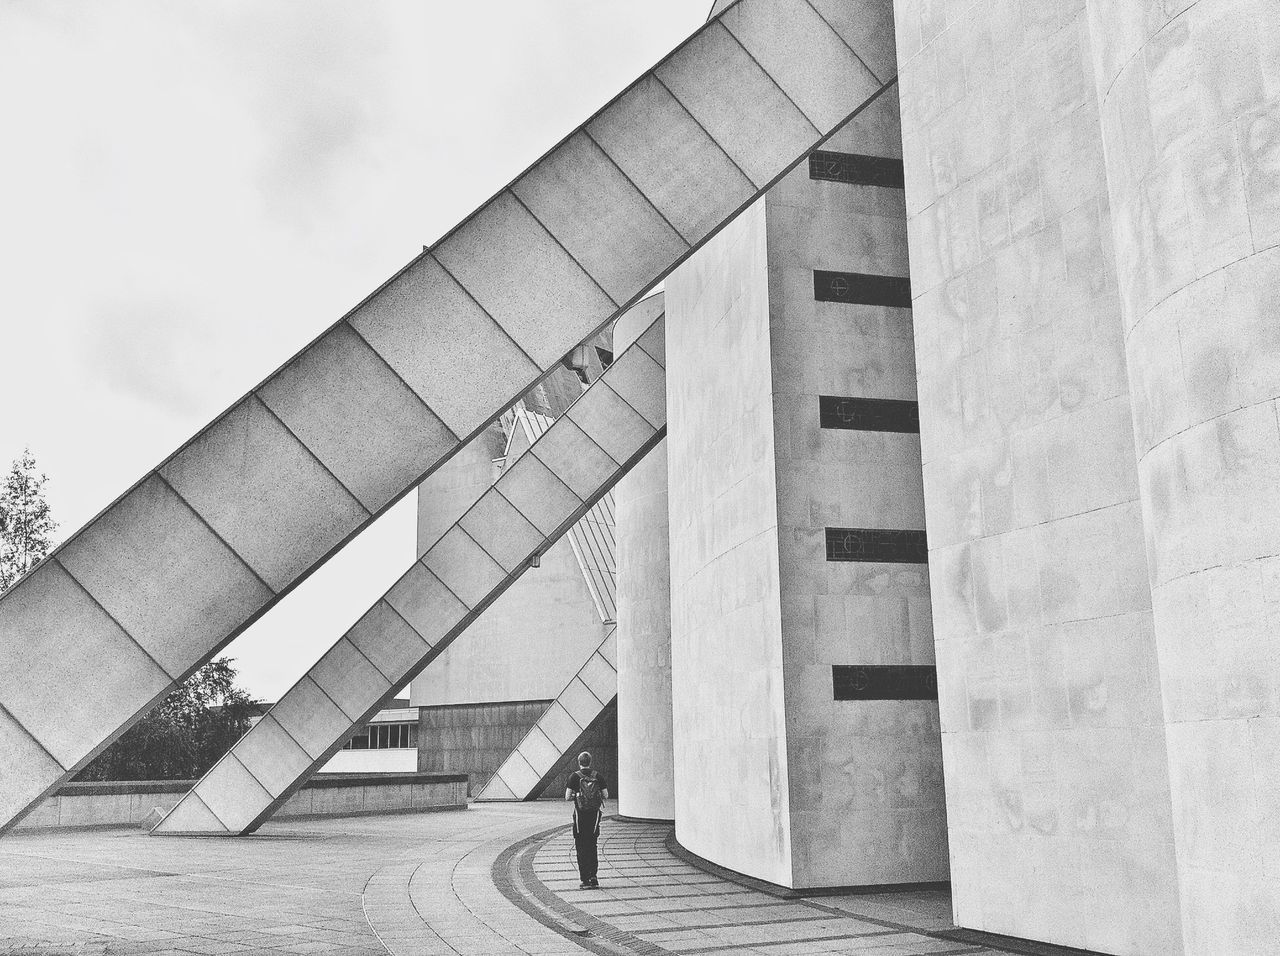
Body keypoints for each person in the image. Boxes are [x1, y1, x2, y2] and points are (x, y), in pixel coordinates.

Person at [565, 751, 608, 888]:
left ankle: (584, 879)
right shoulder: (598, 776)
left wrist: (577, 796)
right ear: (590, 761)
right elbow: (606, 795)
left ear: (579, 762)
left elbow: (567, 797)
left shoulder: (574, 777)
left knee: (581, 846)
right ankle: (593, 876)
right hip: (594, 816)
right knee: (592, 845)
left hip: (580, 816)